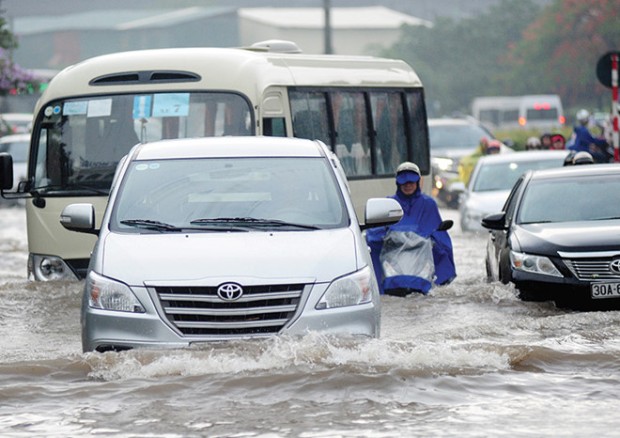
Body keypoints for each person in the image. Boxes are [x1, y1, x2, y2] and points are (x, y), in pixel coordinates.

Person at [366, 162, 456, 296]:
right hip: (392, 261)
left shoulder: (428, 204)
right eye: (404, 183)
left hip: (422, 261)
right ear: (398, 183)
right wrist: (376, 237)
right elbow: (375, 233)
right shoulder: (389, 203)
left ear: (418, 182)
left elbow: (439, 234)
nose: (408, 185)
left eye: (411, 182)